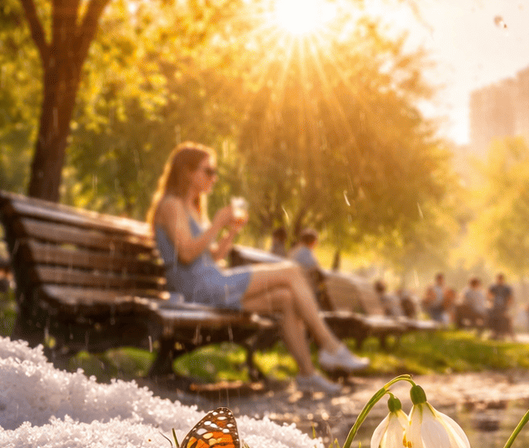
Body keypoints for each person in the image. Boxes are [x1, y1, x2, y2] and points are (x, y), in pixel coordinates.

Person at [147, 142, 368, 395]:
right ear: (187, 172)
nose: (214, 177)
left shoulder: (193, 209)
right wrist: (217, 224)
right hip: (197, 289)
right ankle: (330, 347)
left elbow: (213, 256)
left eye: (214, 172)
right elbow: (185, 255)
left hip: (211, 281)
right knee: (291, 271)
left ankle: (307, 373)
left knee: (285, 299)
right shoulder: (171, 205)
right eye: (208, 171)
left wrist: (230, 232)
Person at [288, 227, 323, 294]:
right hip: (302, 288)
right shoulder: (308, 255)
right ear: (313, 242)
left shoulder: (294, 251)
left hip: (292, 284)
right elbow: (316, 272)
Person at [487, 273, 514, 340]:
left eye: (501, 279)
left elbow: (510, 298)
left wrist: (507, 306)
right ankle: (495, 333)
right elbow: (488, 295)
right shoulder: (493, 287)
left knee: (503, 319)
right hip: (495, 307)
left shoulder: (506, 288)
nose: (500, 280)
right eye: (499, 279)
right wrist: (491, 302)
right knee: (493, 318)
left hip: (503, 307)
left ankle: (501, 334)